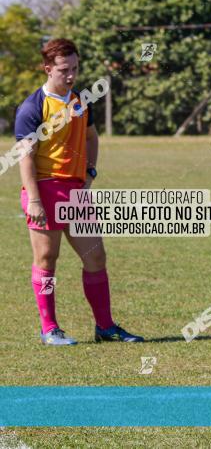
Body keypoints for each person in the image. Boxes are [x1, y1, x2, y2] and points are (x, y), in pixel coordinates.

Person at [15, 38, 144, 346]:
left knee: (95, 256)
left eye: (75, 68)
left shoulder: (82, 102)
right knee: (47, 258)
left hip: (76, 193)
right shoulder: (33, 107)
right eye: (63, 69)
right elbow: (26, 157)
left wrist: (90, 173)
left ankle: (106, 327)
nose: (71, 75)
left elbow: (92, 137)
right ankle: (50, 329)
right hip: (44, 190)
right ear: (48, 69)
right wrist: (33, 200)